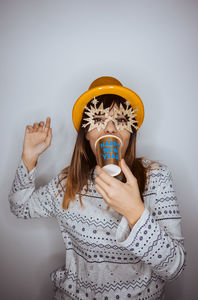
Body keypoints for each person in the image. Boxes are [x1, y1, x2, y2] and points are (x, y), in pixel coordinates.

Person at [8, 76, 186, 300]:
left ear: (131, 132)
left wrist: (135, 213)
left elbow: (175, 268)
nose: (110, 128)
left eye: (121, 119)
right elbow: (20, 207)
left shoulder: (157, 178)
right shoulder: (66, 184)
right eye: (99, 118)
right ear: (87, 133)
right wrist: (29, 158)